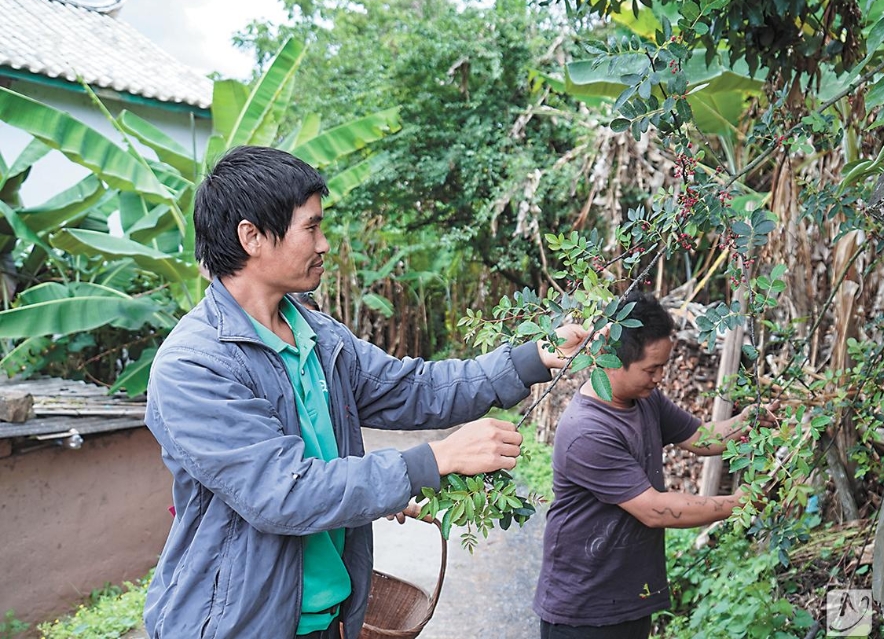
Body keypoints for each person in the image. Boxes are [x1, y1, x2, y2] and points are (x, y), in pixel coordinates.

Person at [142, 145, 585, 639]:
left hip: (329, 621)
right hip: (237, 625)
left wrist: (531, 357)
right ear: (251, 237)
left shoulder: (318, 336)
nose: (325, 243)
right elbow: (283, 492)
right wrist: (434, 460)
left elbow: (412, 388)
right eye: (311, 227)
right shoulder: (195, 364)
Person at [533, 291, 778, 639]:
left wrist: (746, 421)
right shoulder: (586, 431)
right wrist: (736, 504)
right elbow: (656, 510)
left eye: (663, 367)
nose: (660, 377)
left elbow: (699, 437)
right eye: (652, 368)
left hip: (630, 601)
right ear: (613, 361)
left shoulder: (644, 399)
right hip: (583, 613)